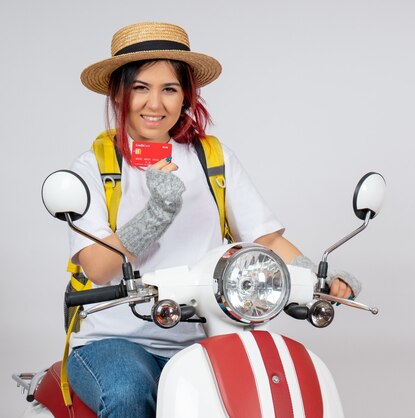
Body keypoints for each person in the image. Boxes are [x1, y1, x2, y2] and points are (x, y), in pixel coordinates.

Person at [66, 22, 361, 417]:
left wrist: (318, 278)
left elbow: (267, 241)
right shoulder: (95, 168)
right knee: (129, 393)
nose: (155, 104)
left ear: (185, 94)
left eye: (169, 89)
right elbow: (98, 269)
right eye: (141, 88)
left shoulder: (211, 159)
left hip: (205, 333)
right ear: (119, 92)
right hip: (116, 339)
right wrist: (156, 214)